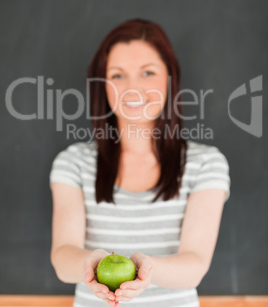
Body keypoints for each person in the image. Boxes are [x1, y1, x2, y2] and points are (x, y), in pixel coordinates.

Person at [49, 18, 231, 307]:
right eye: (118, 75)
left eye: (148, 72)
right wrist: (90, 263)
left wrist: (147, 270)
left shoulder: (206, 163)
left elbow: (195, 264)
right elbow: (63, 258)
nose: (133, 88)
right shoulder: (73, 163)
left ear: (170, 79)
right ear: (103, 85)